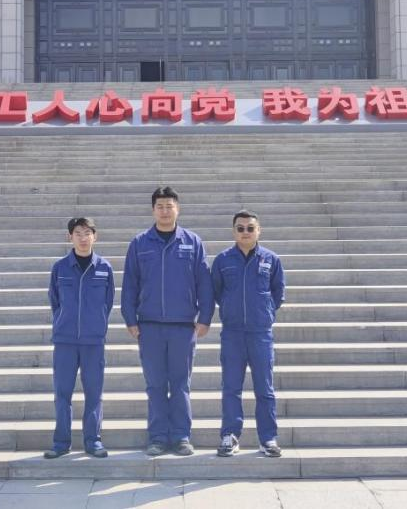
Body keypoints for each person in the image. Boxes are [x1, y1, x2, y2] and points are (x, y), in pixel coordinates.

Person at [121, 186, 214, 456]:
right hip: (149, 326)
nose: (164, 211)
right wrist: (130, 319)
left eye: (169, 206)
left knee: (181, 383)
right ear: (153, 210)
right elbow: (130, 284)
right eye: (160, 206)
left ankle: (182, 436)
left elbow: (204, 282)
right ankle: (158, 437)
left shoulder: (193, 242)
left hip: (183, 326)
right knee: (156, 385)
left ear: (177, 209)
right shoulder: (140, 243)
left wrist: (205, 317)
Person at [211, 210, 285, 458]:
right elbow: (216, 291)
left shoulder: (271, 260)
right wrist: (230, 308)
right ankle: (230, 436)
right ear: (234, 231)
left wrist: (265, 312)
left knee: (265, 389)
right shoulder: (223, 260)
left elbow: (278, 293)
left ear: (258, 231)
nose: (245, 232)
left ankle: (268, 438)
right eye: (240, 228)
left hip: (260, 333)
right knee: (231, 387)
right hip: (232, 334)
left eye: (250, 228)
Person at [44, 217, 114, 459]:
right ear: (70, 237)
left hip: (93, 341)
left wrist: (97, 325)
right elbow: (55, 301)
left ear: (95, 236)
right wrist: (63, 322)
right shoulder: (60, 268)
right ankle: (61, 442)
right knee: (62, 394)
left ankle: (93, 441)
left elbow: (108, 303)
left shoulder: (104, 268)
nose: (83, 238)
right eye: (78, 233)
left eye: (87, 233)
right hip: (65, 341)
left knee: (94, 394)